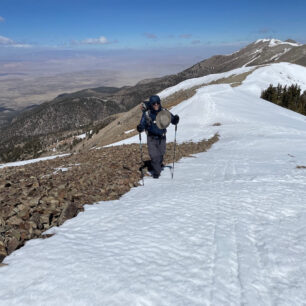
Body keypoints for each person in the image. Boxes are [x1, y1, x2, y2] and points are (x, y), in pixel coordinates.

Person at [137, 95, 179, 179]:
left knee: (161, 154)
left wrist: (175, 120)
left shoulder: (164, 111)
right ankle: (157, 172)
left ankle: (155, 166)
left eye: (157, 103)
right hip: (151, 138)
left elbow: (172, 118)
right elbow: (142, 123)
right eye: (154, 103)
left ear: (160, 103)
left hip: (162, 138)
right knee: (154, 156)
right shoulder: (147, 113)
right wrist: (140, 127)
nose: (156, 105)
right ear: (151, 104)